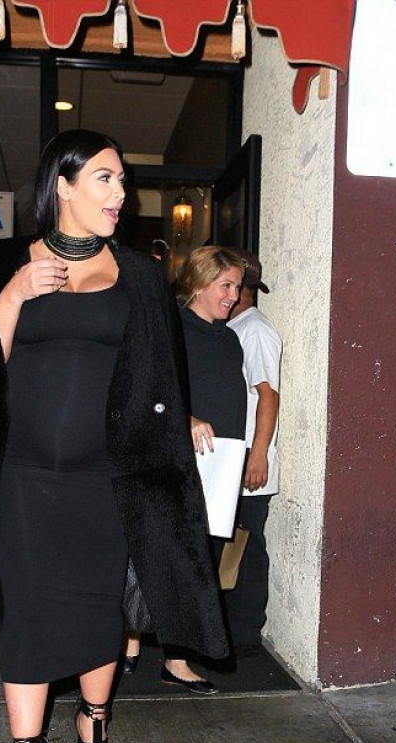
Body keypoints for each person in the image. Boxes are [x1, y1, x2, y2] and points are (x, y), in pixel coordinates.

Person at [0, 130, 227, 743]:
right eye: (105, 179)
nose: (121, 193)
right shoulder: (2, 262)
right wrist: (12, 296)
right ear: (62, 185)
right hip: (22, 480)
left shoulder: (140, 276)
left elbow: (159, 373)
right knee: (28, 613)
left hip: (106, 479)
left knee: (101, 611)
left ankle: (94, 721)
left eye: (122, 180)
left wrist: (180, 419)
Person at [124, 246, 247, 693]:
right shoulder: (170, 327)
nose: (234, 295)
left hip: (217, 468)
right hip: (170, 460)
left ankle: (176, 660)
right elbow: (145, 389)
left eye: (237, 287)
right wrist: (186, 419)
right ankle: (130, 640)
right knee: (153, 551)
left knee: (198, 562)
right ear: (198, 283)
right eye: (225, 285)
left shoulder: (229, 339)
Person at [226, 251, 282, 657]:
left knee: (248, 548)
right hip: (233, 459)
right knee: (234, 545)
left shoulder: (256, 330)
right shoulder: (234, 327)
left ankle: (245, 635)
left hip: (249, 460)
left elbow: (268, 395)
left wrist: (258, 454)